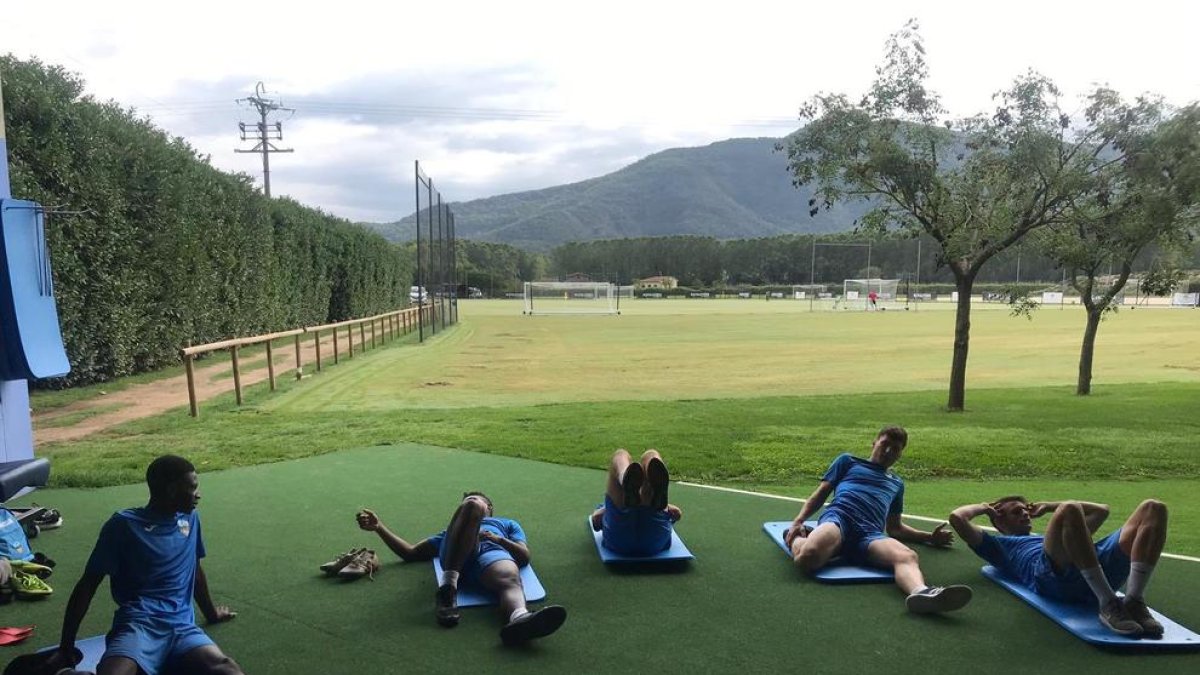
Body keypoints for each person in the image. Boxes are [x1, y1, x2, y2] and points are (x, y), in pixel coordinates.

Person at [45, 455, 242, 675]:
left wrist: (212, 613)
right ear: (171, 490)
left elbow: (194, 570)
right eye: (192, 487)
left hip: (182, 628)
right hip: (138, 625)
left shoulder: (191, 519)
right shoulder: (123, 526)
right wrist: (66, 648)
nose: (198, 494)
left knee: (227, 669)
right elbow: (87, 585)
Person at [782, 426, 971, 613]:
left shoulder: (897, 483)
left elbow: (895, 528)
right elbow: (821, 492)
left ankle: (922, 593)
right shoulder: (848, 461)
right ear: (874, 443)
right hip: (839, 519)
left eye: (895, 448)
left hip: (870, 534)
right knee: (808, 558)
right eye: (884, 444)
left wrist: (929, 537)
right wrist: (798, 522)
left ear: (900, 454)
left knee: (907, 556)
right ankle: (796, 538)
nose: (888, 451)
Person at [357, 493, 566, 646]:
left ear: (490, 507)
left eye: (477, 499)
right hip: (456, 556)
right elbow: (410, 553)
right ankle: (448, 588)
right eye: (464, 503)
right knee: (473, 506)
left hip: (492, 555)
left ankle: (519, 619)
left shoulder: (507, 524)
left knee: (510, 580)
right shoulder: (450, 533)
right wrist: (379, 527)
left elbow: (524, 556)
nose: (470, 502)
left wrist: (498, 539)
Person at [949, 496, 1168, 637]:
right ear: (999, 521)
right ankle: (1108, 603)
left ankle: (1134, 600)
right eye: (1016, 512)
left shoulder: (1059, 535)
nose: (1024, 513)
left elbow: (1101, 510)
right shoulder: (998, 545)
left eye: (1025, 510)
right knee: (1070, 508)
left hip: (1093, 565)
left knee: (1154, 508)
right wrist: (984, 508)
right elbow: (957, 518)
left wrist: (1049, 506)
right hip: (1052, 577)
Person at [590, 449, 682, 556]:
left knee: (620, 454)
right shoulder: (657, 502)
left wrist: (602, 512)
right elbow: (677, 515)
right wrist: (669, 509)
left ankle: (624, 478)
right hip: (655, 539)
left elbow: (596, 520)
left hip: (619, 539)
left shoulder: (608, 507)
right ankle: (645, 483)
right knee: (650, 455)